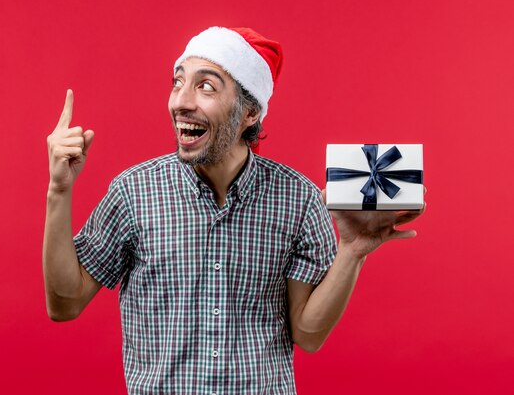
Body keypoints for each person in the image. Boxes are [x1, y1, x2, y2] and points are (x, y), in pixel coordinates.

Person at [43, 26, 425, 394]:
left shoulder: (299, 199)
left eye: (205, 86)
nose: (181, 101)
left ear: (249, 113)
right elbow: (65, 303)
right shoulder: (133, 192)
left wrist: (352, 251)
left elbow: (308, 335)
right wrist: (59, 190)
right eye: (178, 82)